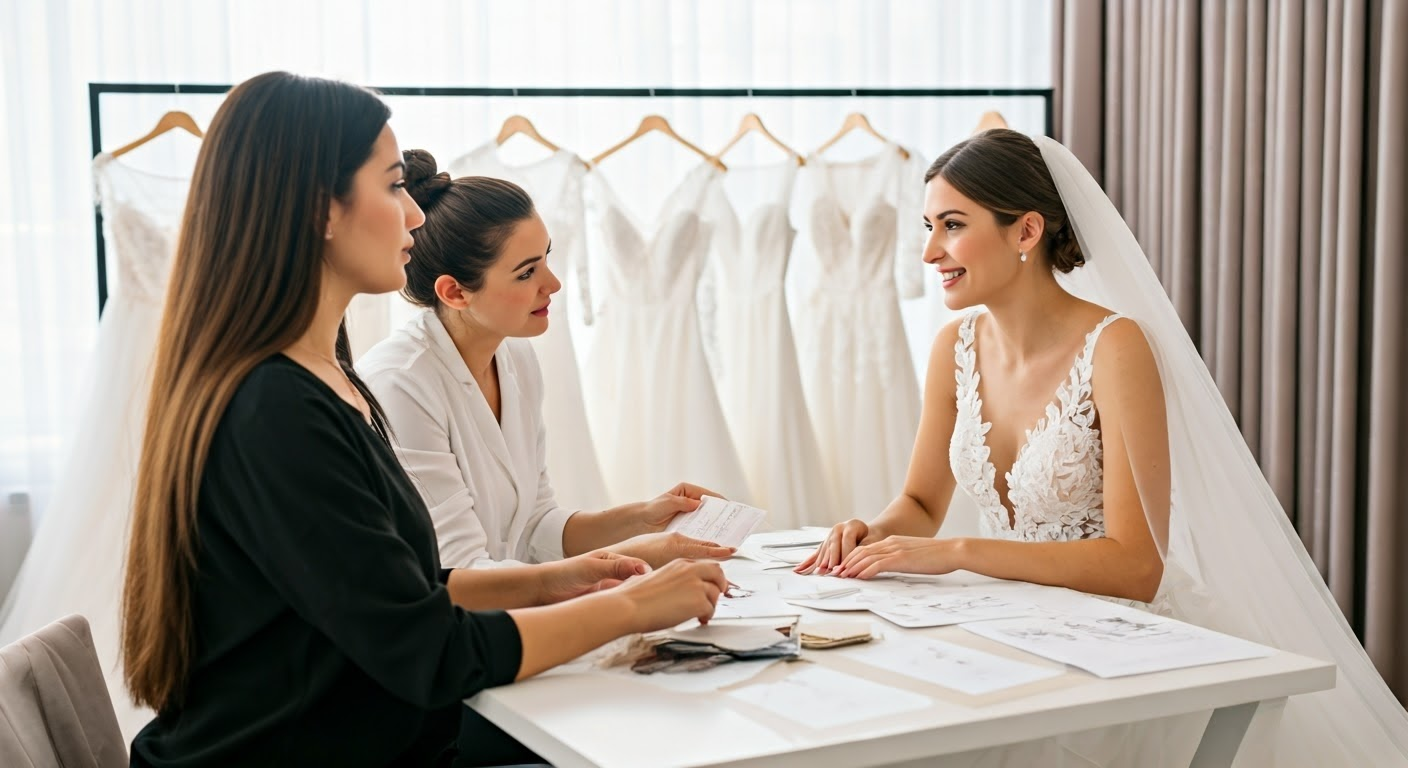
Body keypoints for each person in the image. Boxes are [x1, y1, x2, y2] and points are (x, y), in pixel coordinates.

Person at [120, 71, 727, 767]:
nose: (414, 214)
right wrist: (633, 607)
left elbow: (401, 589)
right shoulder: (277, 410)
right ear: (323, 210)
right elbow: (431, 652)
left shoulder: (325, 375)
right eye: (390, 185)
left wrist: (566, 576)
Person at [798, 129, 1408, 765]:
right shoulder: (954, 345)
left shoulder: (1116, 349)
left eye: (951, 225)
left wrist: (956, 552)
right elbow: (921, 502)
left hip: (1116, 647)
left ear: (1026, 232)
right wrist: (870, 532)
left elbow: (1137, 567)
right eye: (927, 225)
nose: (929, 252)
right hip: (1003, 626)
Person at [358, 150, 735, 571]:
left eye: (547, 259)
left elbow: (535, 524)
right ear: (455, 293)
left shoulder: (514, 355)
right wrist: (632, 557)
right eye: (526, 273)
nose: (553, 284)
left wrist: (644, 518)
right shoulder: (399, 385)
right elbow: (460, 571)